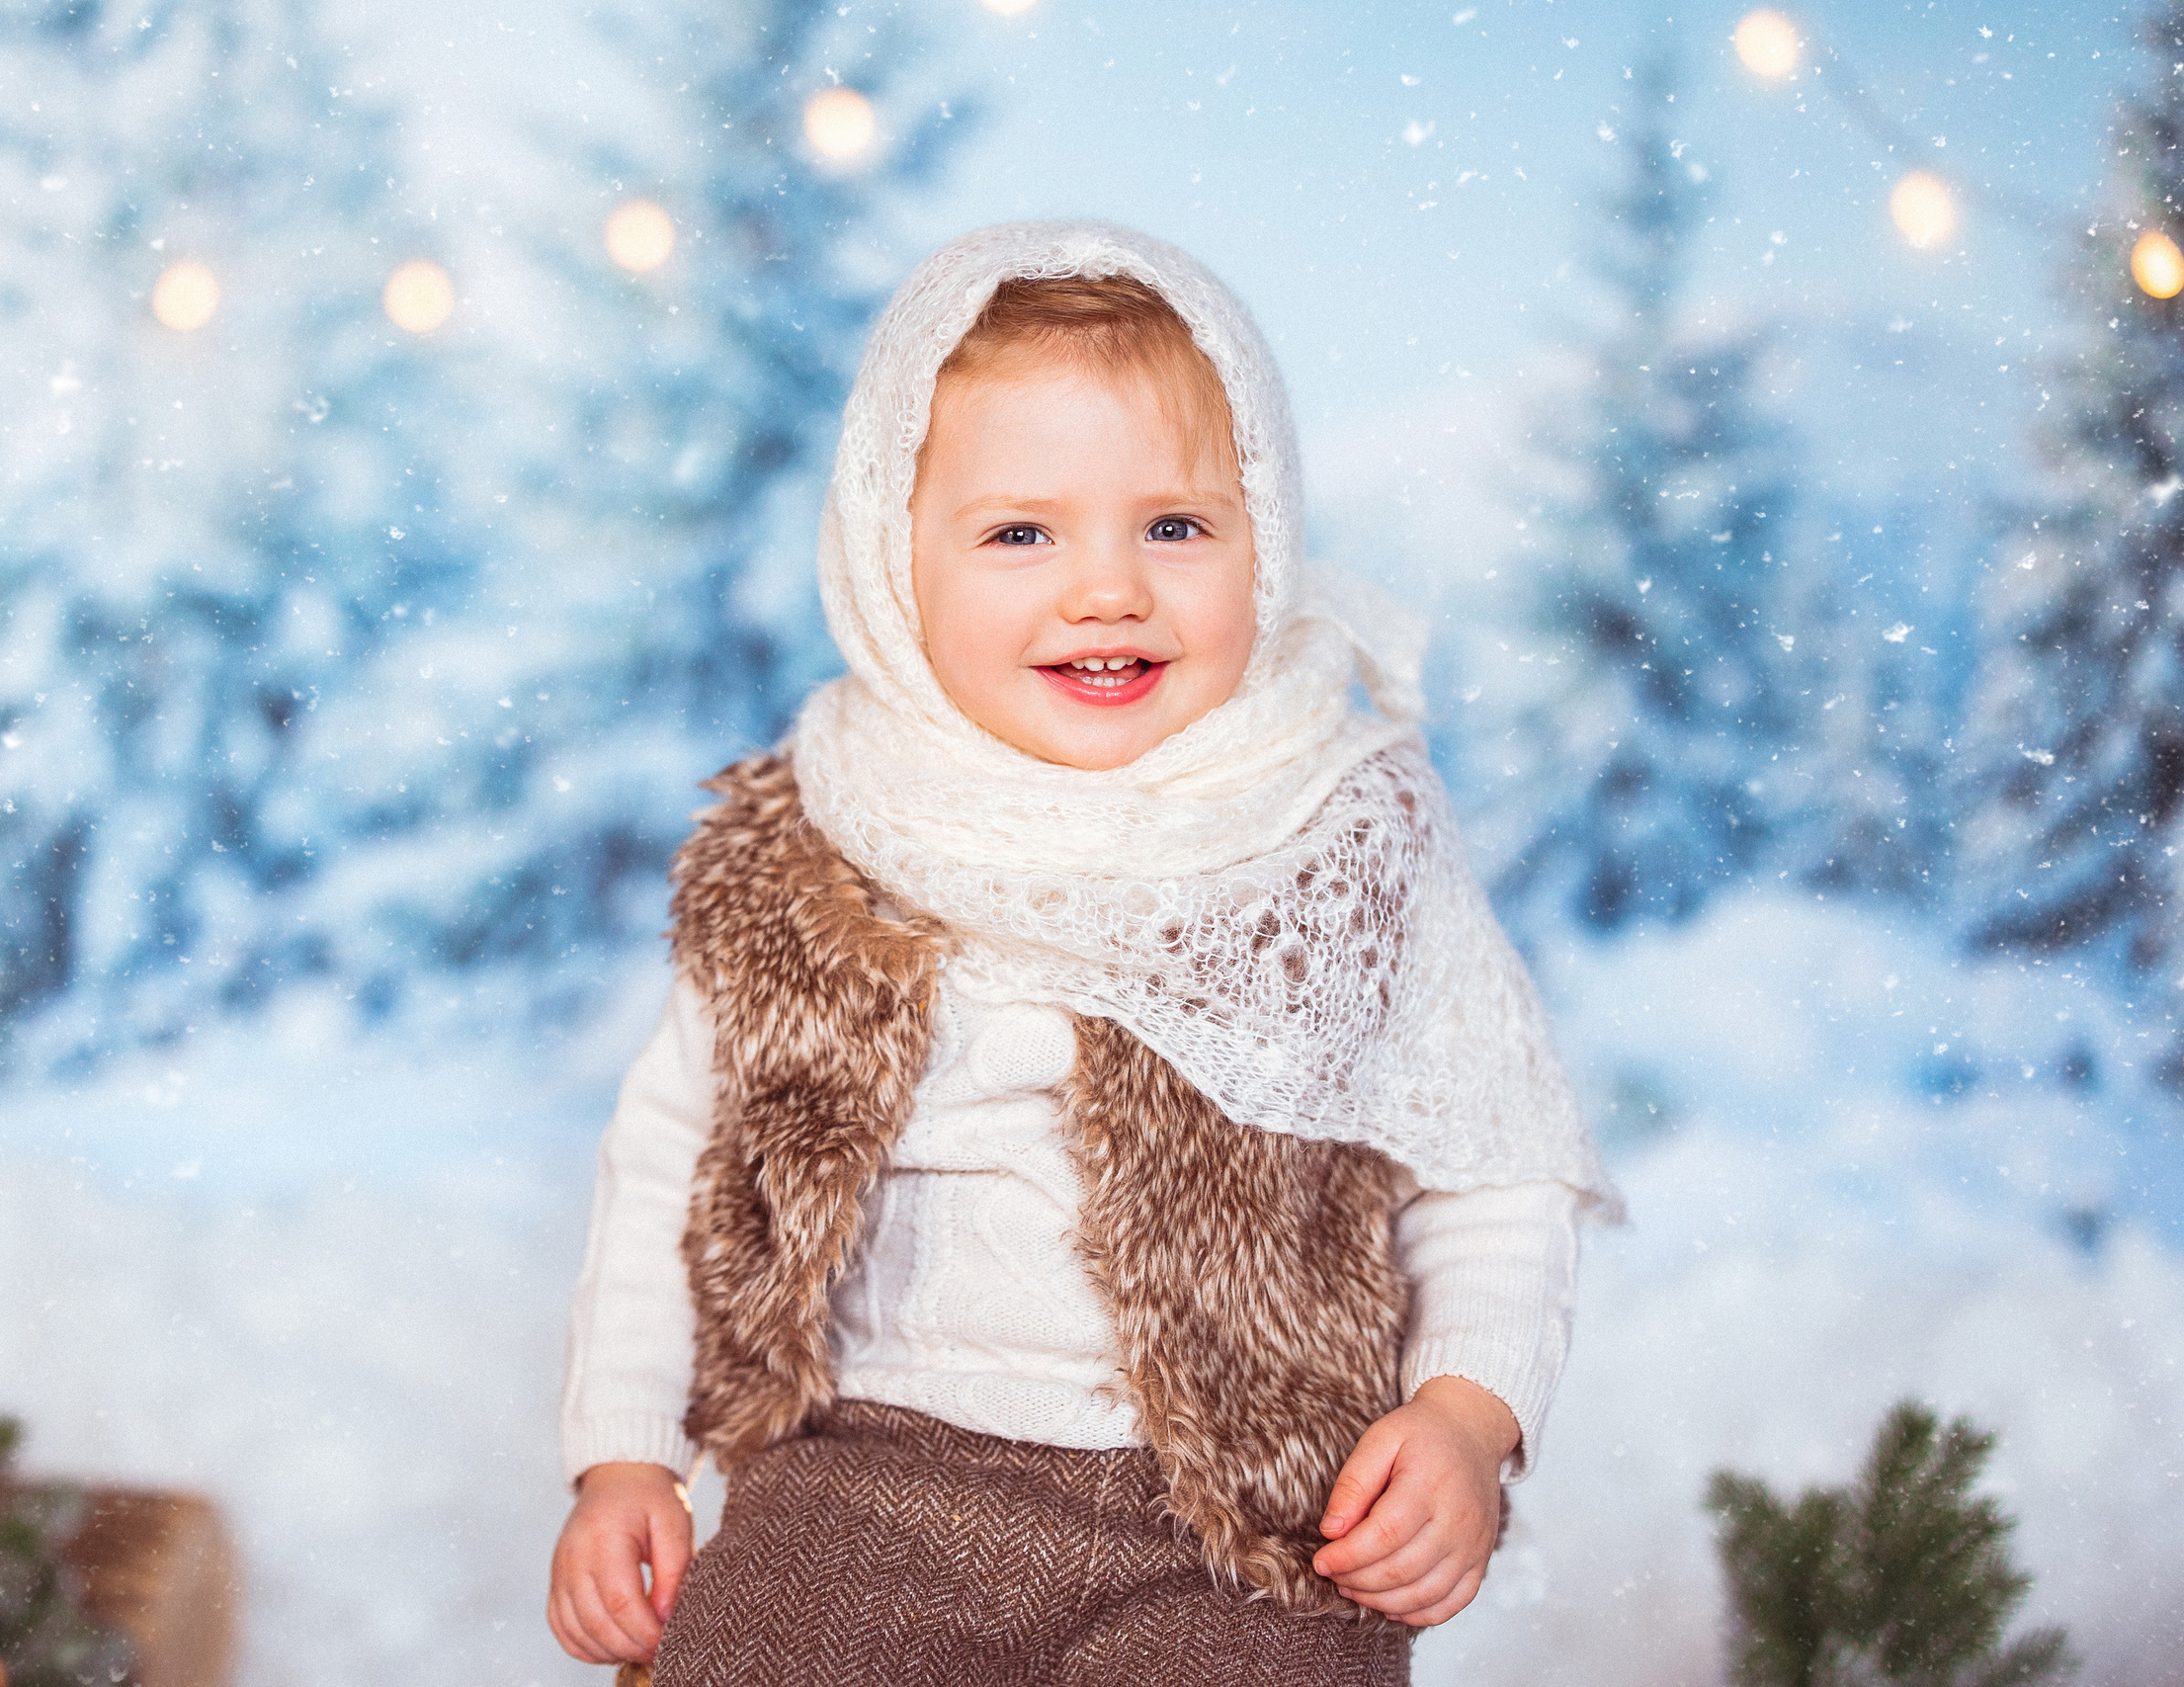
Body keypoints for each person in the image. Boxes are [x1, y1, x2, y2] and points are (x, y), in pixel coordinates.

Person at [545, 221, 1614, 1686]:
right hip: (866, 1479)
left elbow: (1494, 1162)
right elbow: (671, 1159)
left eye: (1175, 527)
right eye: (1019, 534)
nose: (1107, 589)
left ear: (1267, 536)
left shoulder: (1340, 839)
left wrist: (1464, 1418)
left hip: (1256, 1515)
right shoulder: (817, 839)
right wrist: (625, 1459)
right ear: (892, 561)